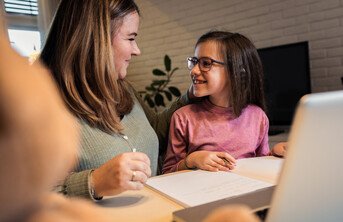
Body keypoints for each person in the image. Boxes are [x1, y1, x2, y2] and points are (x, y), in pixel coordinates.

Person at [40, 0, 194, 200]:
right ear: (97, 40)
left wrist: (191, 95)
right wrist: (93, 182)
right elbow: (22, 197)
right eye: (130, 38)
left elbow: (155, 130)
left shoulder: (124, 88)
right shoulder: (41, 103)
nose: (136, 50)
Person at [163, 31, 286, 174]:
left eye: (206, 63)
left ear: (238, 71)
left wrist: (274, 155)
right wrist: (192, 160)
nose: (195, 70)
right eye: (195, 62)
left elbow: (259, 166)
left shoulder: (258, 117)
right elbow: (168, 173)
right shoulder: (183, 118)